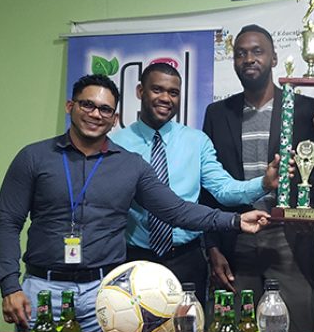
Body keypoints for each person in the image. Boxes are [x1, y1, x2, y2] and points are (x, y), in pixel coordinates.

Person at [0, 74, 268, 332]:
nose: (95, 114)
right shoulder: (34, 158)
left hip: (104, 295)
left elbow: (176, 210)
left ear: (114, 119)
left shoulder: (131, 165)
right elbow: (8, 223)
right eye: (87, 105)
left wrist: (234, 220)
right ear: (70, 106)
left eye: (104, 110)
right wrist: (9, 286)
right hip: (41, 290)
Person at [111, 63, 279, 306]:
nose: (165, 98)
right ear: (140, 91)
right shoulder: (116, 144)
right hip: (135, 259)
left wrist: (263, 183)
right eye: (157, 90)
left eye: (173, 92)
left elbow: (223, 190)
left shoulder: (196, 141)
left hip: (187, 260)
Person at [201, 24, 314, 332]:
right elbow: (208, 187)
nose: (248, 59)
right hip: (235, 236)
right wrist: (212, 248)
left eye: (257, 51)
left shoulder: (306, 109)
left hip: (288, 237)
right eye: (241, 54)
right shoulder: (217, 113)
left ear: (274, 58)